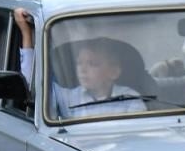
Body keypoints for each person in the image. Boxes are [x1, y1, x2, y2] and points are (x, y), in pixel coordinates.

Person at [12, 9, 145, 118]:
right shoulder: (69, 97)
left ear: (114, 72)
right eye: (79, 63)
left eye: (93, 64)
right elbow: (32, 85)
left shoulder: (130, 99)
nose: (83, 70)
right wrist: (26, 32)